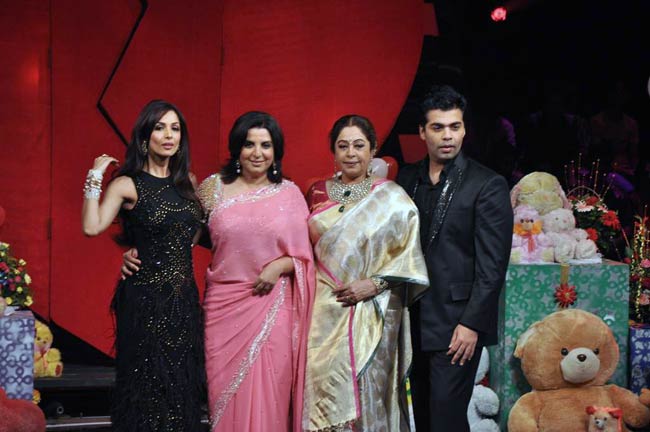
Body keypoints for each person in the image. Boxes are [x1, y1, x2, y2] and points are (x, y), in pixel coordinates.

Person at [122, 111, 315, 432]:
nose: (257, 153)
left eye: (266, 145)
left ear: (276, 151)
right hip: (222, 310)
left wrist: (278, 266)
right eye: (249, 144)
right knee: (223, 400)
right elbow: (178, 233)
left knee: (271, 397)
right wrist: (136, 251)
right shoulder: (213, 188)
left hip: (271, 308)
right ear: (237, 148)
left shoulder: (290, 194)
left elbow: (305, 256)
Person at [81, 100, 205, 431]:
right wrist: (94, 177)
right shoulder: (128, 184)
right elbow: (92, 226)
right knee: (145, 388)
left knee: (180, 387)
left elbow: (189, 235)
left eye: (175, 128)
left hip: (183, 303)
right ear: (144, 136)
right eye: (160, 128)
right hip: (145, 302)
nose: (169, 135)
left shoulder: (188, 182)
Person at [396, 85, 513, 432]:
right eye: (438, 127)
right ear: (422, 131)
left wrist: (472, 324)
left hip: (456, 324)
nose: (447, 136)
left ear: (464, 130)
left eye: (455, 126)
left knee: (446, 421)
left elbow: (493, 267)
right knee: (421, 418)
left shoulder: (487, 184)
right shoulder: (406, 179)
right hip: (411, 319)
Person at [303, 115, 429, 431]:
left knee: (369, 389)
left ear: (372, 150)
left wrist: (373, 284)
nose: (351, 153)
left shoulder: (393, 198)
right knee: (323, 389)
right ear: (333, 151)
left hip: (374, 309)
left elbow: (409, 256)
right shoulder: (316, 192)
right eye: (343, 146)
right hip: (322, 311)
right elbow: (302, 248)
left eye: (359, 146)